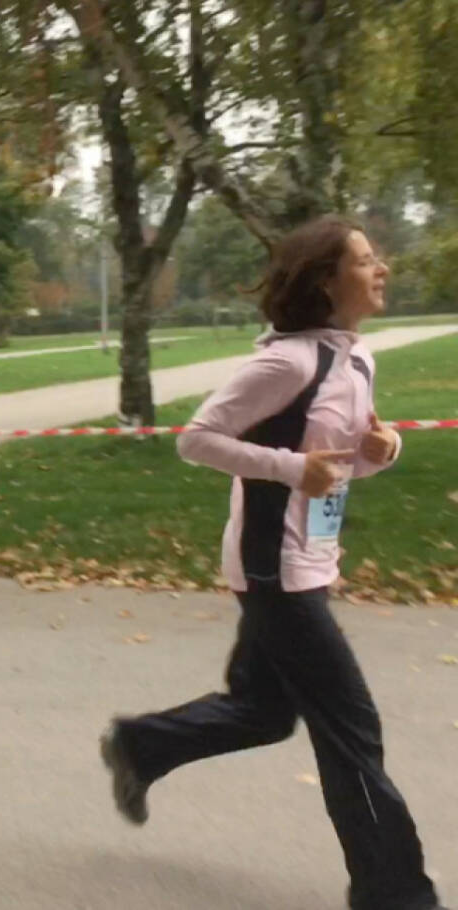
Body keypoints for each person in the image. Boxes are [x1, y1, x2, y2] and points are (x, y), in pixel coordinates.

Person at [99, 217, 445, 910]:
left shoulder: (355, 358)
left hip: (309, 560)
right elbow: (197, 441)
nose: (383, 270)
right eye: (368, 260)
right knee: (352, 729)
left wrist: (382, 452)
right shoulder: (286, 363)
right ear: (325, 280)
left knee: (263, 710)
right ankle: (394, 894)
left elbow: (336, 467)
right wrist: (289, 468)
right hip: (273, 570)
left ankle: (142, 746)